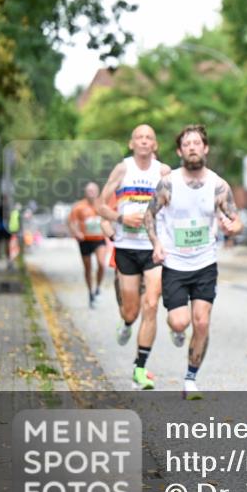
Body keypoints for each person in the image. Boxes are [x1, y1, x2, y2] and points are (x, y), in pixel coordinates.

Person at [145, 125, 242, 400]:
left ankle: (190, 378)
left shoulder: (218, 185)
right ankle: (177, 330)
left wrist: (230, 227)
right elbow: (149, 216)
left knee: (201, 323)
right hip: (174, 263)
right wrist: (157, 244)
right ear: (179, 151)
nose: (192, 147)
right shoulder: (168, 183)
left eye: (197, 143)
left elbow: (237, 222)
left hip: (205, 263)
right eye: (186, 144)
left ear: (205, 148)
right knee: (179, 322)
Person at [98, 124, 171, 390]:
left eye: (149, 137)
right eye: (139, 137)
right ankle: (127, 322)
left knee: (151, 305)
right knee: (132, 310)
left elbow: (176, 204)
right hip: (126, 247)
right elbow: (101, 205)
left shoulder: (163, 172)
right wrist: (119, 218)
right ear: (131, 143)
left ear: (155, 144)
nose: (143, 141)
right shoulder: (123, 169)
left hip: (153, 247)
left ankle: (140, 367)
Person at [68, 182, 108, 308]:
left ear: (97, 192)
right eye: (88, 191)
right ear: (85, 192)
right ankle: (90, 292)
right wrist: (76, 233)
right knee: (88, 268)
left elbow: (109, 218)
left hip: (99, 239)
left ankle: (98, 288)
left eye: (93, 190)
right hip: (85, 240)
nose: (91, 193)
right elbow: (71, 222)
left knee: (102, 264)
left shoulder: (102, 205)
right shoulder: (79, 206)